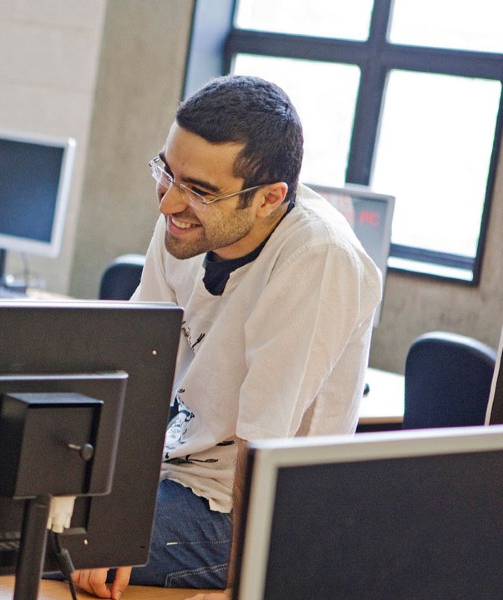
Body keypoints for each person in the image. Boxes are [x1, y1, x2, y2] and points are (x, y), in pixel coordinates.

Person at [72, 75, 383, 599]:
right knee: (13, 504)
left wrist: (111, 529)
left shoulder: (317, 259)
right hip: (167, 474)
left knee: (47, 539)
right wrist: (106, 492)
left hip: (241, 513)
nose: (168, 203)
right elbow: (134, 370)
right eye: (167, 173)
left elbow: (262, 453)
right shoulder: (185, 223)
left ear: (269, 199)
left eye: (198, 190)